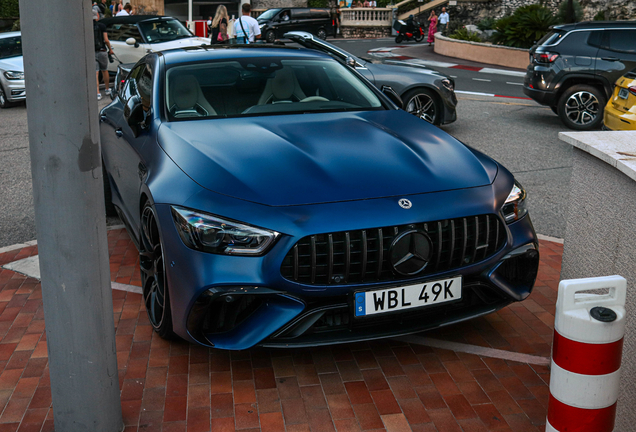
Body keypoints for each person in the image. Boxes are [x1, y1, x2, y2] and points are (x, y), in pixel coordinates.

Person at [93, 8, 113, 100]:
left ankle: (97, 93)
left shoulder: (88, 26)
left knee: (96, 73)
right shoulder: (102, 26)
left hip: (92, 52)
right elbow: (106, 40)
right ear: (97, 16)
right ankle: (107, 89)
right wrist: (110, 49)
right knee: (104, 70)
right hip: (102, 51)